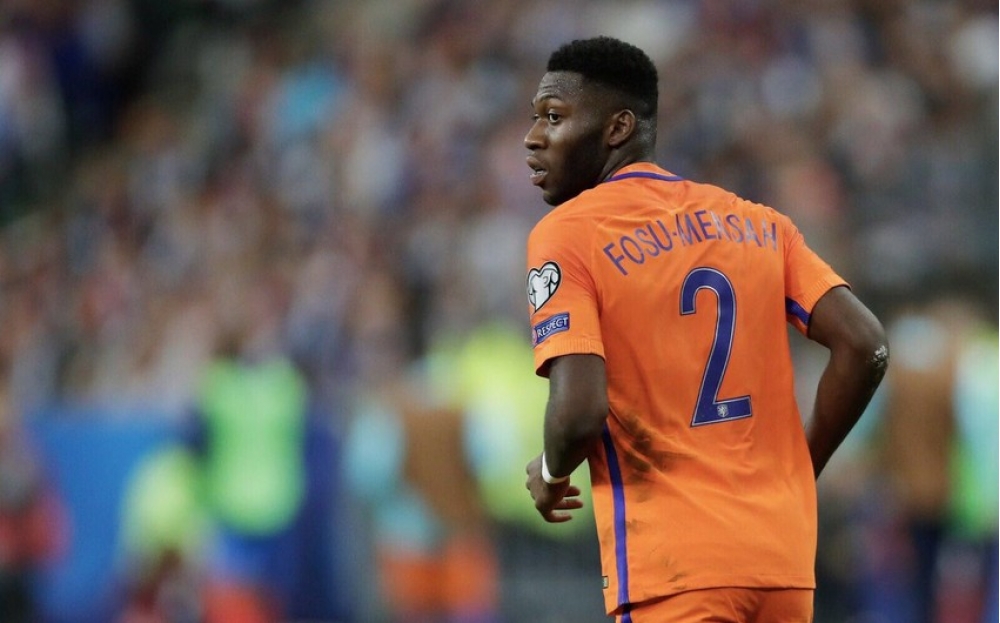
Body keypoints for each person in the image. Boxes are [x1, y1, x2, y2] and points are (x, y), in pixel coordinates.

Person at [520, 36, 888, 622]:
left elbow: (579, 411)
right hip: (782, 565)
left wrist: (550, 471)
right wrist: (801, 467)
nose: (533, 137)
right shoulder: (760, 224)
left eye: (554, 117)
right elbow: (865, 345)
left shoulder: (569, 234)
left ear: (617, 128)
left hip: (674, 569)